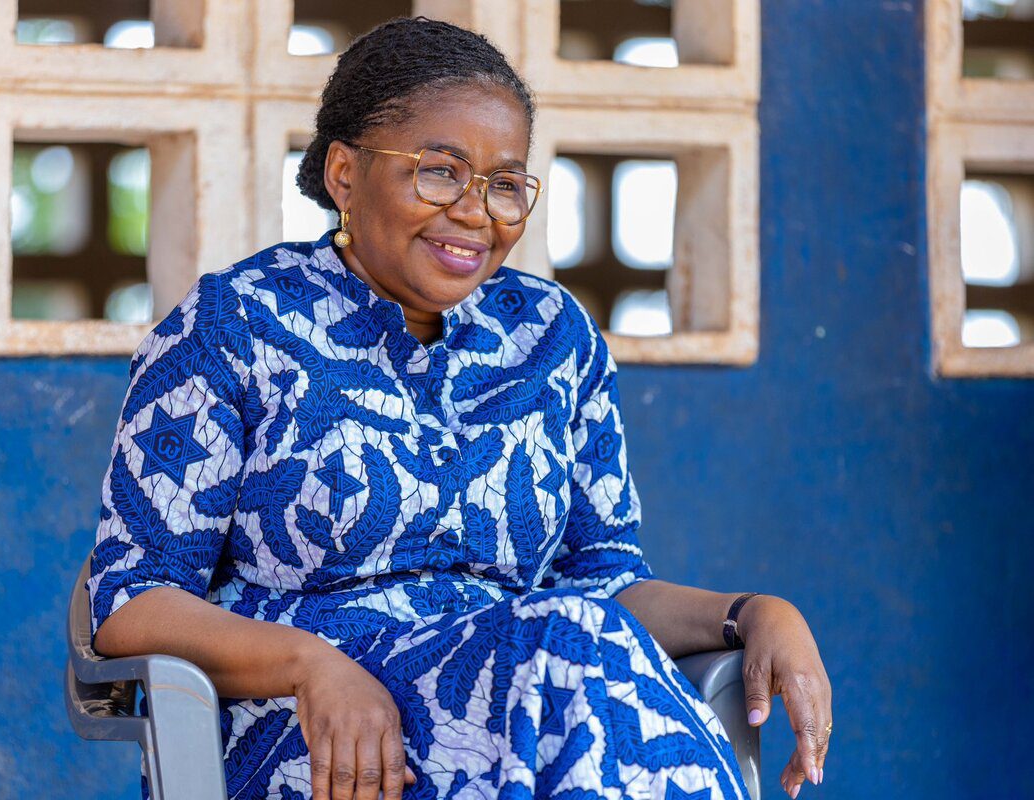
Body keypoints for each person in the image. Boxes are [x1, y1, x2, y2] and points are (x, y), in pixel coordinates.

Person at [87, 16, 832, 800]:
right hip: (317, 731)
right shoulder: (234, 325)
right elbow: (133, 602)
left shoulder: (551, 337)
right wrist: (310, 666)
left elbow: (602, 585)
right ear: (343, 173)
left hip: (540, 699)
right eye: (439, 172)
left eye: (505, 184)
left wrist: (749, 614)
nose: (477, 213)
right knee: (568, 647)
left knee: (570, 643)